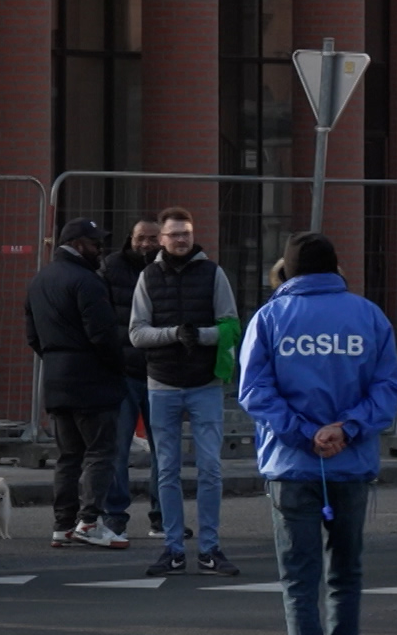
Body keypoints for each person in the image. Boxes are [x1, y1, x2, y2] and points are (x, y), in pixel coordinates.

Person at [239, 233, 397, 635]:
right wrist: (346, 428)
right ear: (336, 266)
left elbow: (253, 392)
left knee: (299, 581)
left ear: (288, 270)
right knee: (345, 576)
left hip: (292, 466)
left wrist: (305, 434)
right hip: (351, 465)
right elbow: (389, 388)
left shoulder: (269, 318)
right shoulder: (369, 315)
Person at [132, 205, 241, 577]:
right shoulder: (147, 276)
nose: (181, 239)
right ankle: (173, 548)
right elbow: (137, 332)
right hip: (161, 382)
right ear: (160, 239)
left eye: (187, 233)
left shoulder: (214, 273)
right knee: (167, 470)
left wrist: (202, 335)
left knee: (210, 468)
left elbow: (232, 325)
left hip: (205, 383)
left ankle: (210, 548)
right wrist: (174, 333)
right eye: (174, 234)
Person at [26, 218, 128, 550]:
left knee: (68, 455)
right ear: (79, 244)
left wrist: (56, 357)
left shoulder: (39, 280)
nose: (101, 249)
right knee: (100, 451)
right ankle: (89, 521)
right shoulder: (88, 281)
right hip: (91, 378)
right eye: (96, 243)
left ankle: (62, 525)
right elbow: (103, 335)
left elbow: (32, 337)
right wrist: (118, 367)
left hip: (55, 377)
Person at [100, 220, 166, 538]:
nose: (146, 244)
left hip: (161, 372)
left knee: (164, 449)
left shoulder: (171, 269)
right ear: (131, 238)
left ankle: (162, 516)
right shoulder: (111, 267)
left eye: (153, 238)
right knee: (118, 449)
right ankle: (115, 516)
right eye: (141, 238)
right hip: (123, 370)